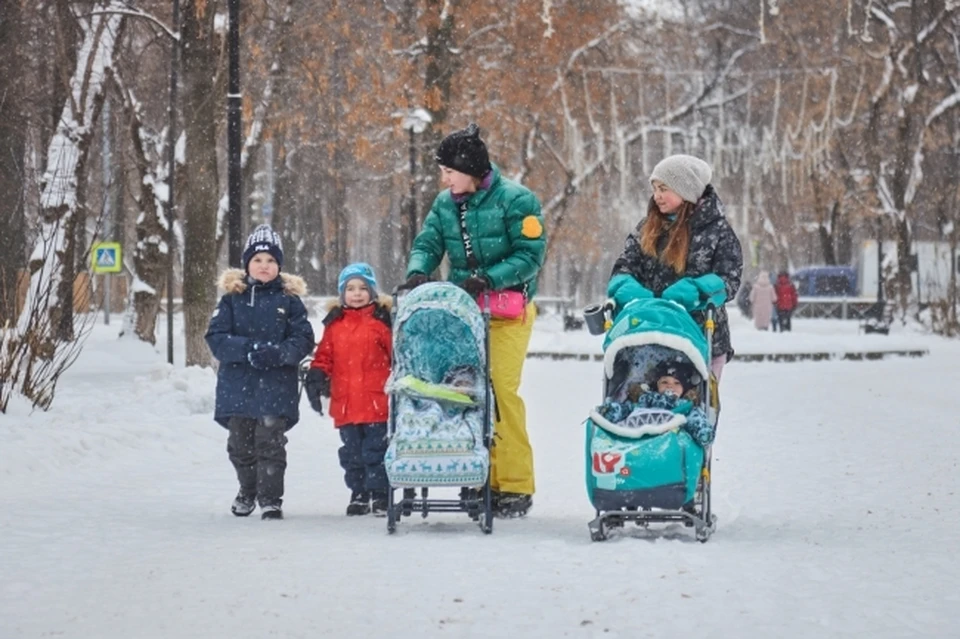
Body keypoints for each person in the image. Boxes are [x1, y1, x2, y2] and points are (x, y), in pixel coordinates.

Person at [400, 123, 546, 518]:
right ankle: (475, 474)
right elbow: (428, 242)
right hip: (463, 314)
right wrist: (418, 271)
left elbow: (530, 255)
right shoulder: (446, 204)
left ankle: (513, 484)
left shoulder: (517, 200)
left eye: (448, 170)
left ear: (470, 169)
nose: (443, 178)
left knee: (499, 393)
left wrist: (490, 277)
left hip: (505, 313)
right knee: (464, 391)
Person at [205, 225, 316, 521]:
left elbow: (303, 338)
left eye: (270, 260)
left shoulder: (289, 300)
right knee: (239, 445)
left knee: (271, 445)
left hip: (275, 385)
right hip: (237, 386)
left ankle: (270, 499)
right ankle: (247, 490)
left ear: (279, 265)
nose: (264, 266)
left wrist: (279, 354)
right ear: (247, 265)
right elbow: (216, 337)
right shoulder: (231, 298)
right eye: (258, 260)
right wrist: (248, 349)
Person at [607, 154, 743, 381]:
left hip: (702, 333)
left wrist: (698, 290)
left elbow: (729, 277)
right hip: (649, 333)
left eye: (663, 189)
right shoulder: (646, 228)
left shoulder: (717, 230)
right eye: (654, 189)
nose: (657, 196)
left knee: (696, 402)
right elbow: (625, 264)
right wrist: (625, 286)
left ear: (686, 190)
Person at [304, 263, 392, 517]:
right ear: (342, 293)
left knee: (376, 451)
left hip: (377, 403)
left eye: (363, 288)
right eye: (350, 288)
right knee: (351, 454)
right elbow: (324, 356)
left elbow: (397, 355)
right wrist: (317, 374)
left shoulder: (381, 322)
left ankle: (380, 493)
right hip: (346, 404)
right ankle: (359, 493)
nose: (356, 293)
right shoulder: (335, 325)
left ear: (372, 292)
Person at [599, 360, 714, 448]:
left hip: (669, 442)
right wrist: (613, 411)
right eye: (664, 382)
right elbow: (628, 409)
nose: (670, 386)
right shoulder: (645, 399)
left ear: (684, 388)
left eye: (676, 383)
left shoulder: (686, 406)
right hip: (639, 435)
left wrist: (702, 431)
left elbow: (696, 419)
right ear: (656, 385)